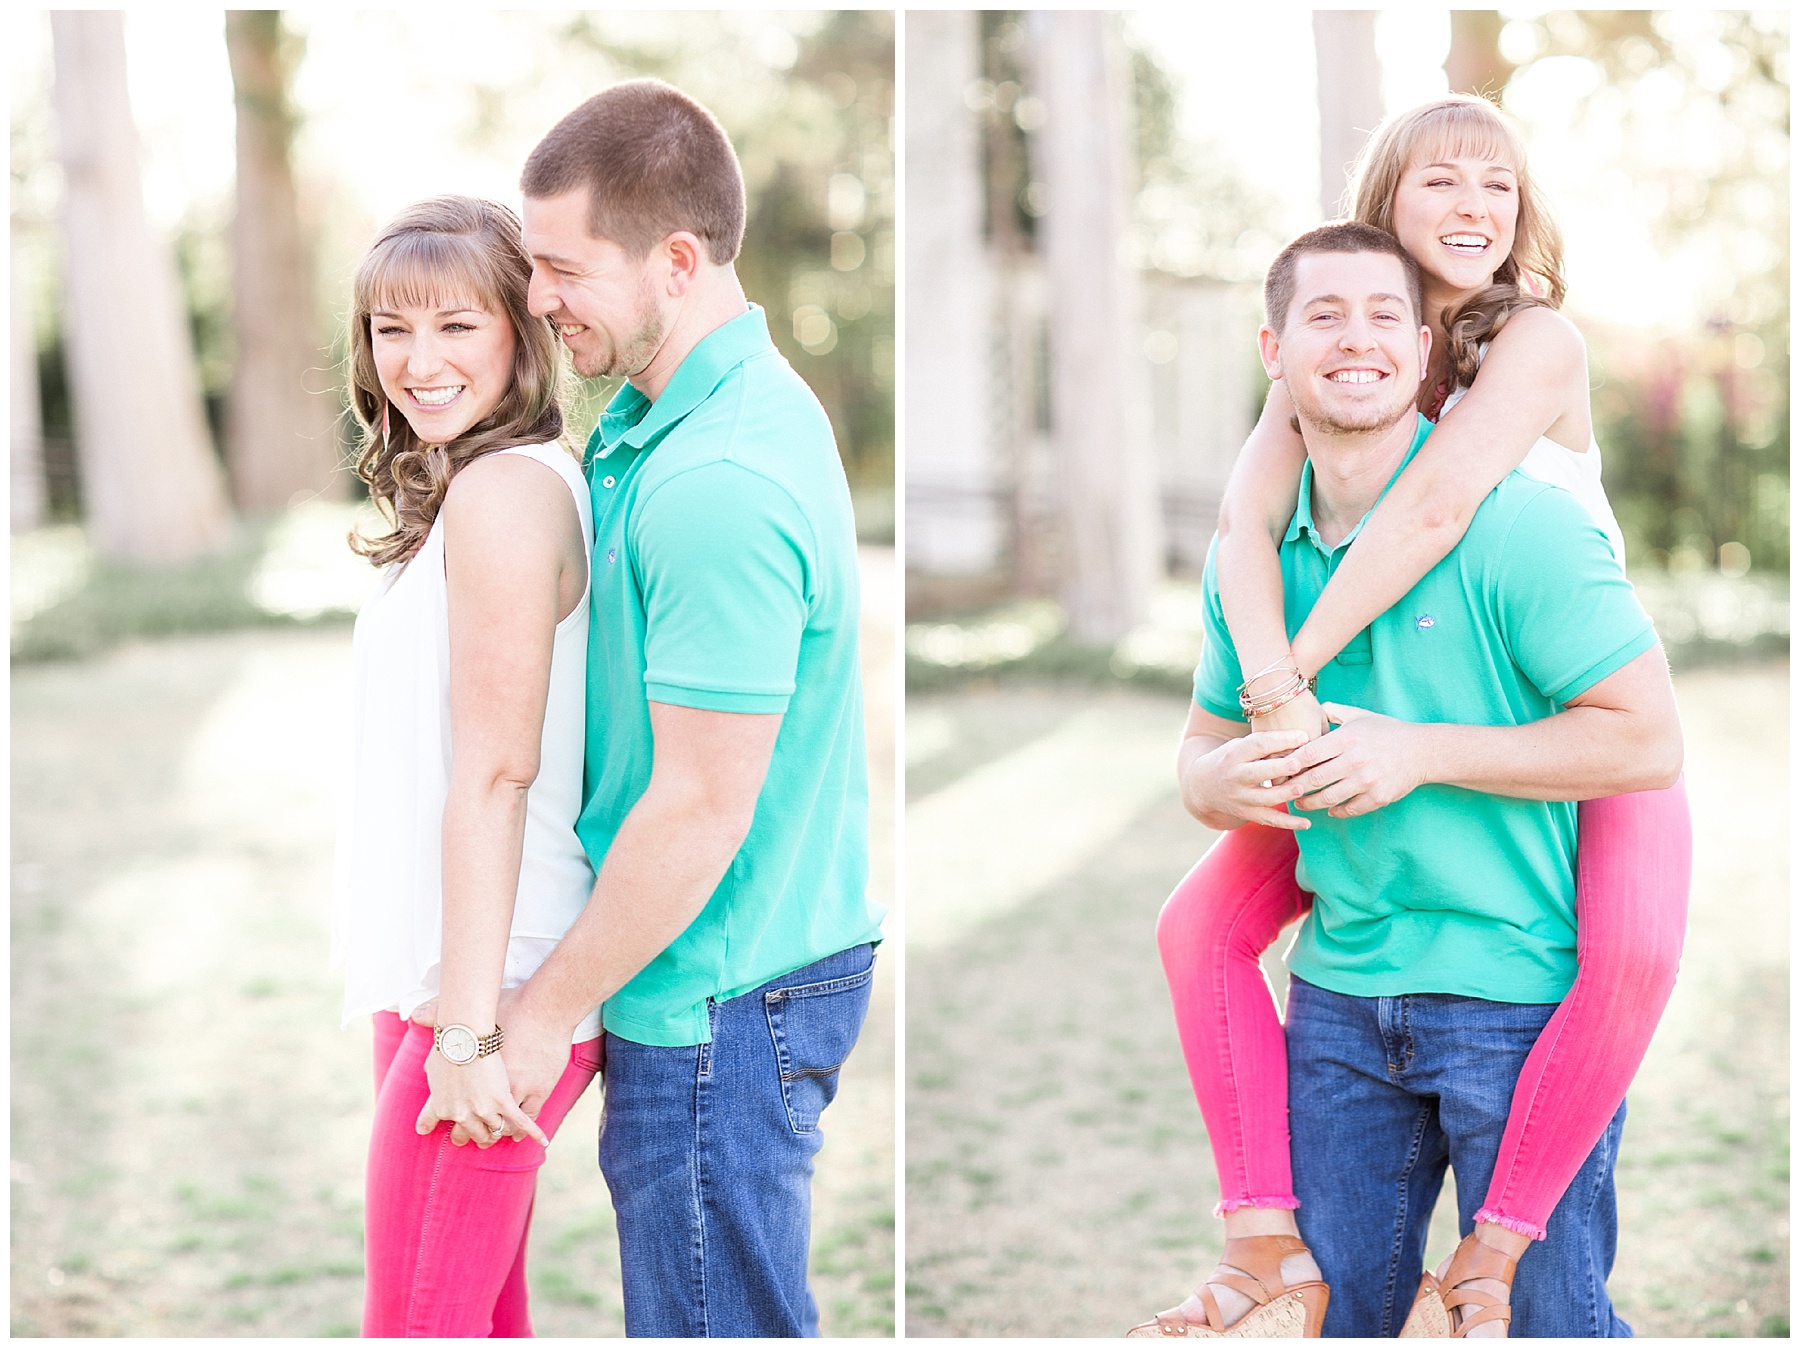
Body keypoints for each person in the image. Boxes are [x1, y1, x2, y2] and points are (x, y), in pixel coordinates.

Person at [1134, 99, 1691, 1339]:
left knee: (1631, 957)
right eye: (1445, 182)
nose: (1477, 209)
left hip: (1575, 704)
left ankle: (1502, 1249)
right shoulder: (1348, 343)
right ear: (1382, 202)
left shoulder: (1531, 340)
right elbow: (1238, 531)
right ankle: (1258, 1231)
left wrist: (1293, 677)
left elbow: (1436, 505)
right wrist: (1243, 730)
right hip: (1362, 774)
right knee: (1196, 925)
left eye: (1501, 188)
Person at [494, 79, 884, 1338]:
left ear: (675, 259)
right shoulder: (683, 416)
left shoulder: (719, 476)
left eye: (562, 268)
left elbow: (702, 801)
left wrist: (542, 1010)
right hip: (736, 966)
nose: (538, 300)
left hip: (722, 989)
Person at [332, 195, 602, 1336]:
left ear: (520, 331)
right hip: (445, 972)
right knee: (479, 1321)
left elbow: (501, 773)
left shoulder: (506, 492)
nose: (418, 360)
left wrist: (471, 1033)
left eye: (457, 326)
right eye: (393, 328)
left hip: (490, 985)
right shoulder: (476, 490)